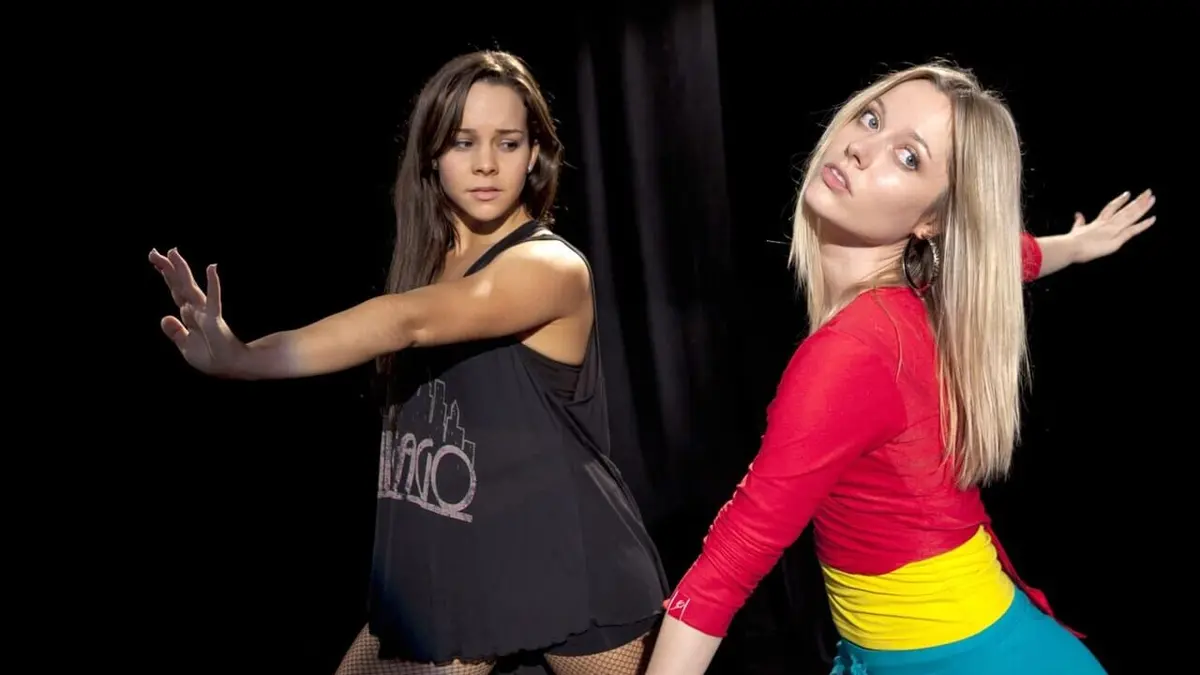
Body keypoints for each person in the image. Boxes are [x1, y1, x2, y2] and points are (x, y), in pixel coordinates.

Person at [148, 50, 668, 675]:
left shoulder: (548, 267)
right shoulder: (428, 264)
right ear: (431, 154)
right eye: (463, 142)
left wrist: (245, 358)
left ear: (535, 155)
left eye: (507, 142)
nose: (485, 163)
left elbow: (405, 320)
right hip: (454, 576)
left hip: (573, 572)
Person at [642, 62, 1155, 675]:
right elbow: (1002, 259)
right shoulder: (923, 293)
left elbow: (731, 561)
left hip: (970, 657)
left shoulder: (851, 352)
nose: (861, 148)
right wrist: (1075, 245)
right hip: (944, 639)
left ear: (930, 221)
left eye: (908, 157)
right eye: (871, 119)